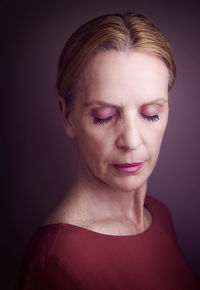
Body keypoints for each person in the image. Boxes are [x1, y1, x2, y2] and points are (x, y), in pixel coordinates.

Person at [16, 12, 200, 289]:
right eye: (103, 116)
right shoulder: (55, 260)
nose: (131, 140)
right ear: (67, 116)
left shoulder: (159, 214)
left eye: (150, 113)